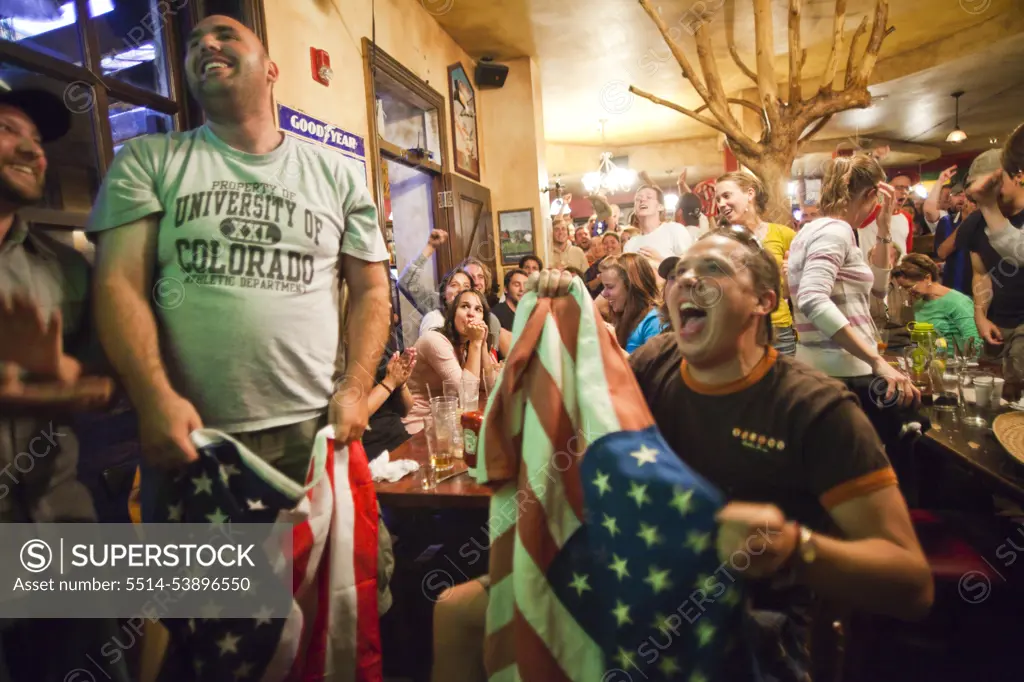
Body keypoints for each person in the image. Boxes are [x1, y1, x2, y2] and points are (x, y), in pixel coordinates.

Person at [487, 252, 933, 681]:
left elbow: (912, 584)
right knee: (460, 611)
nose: (686, 280)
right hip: (644, 598)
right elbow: (582, 383)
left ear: (764, 301)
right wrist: (563, 297)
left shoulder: (816, 409)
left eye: (713, 269)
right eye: (679, 272)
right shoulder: (655, 362)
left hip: (751, 632)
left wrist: (793, 548)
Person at [88, 14, 392, 498]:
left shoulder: (336, 174)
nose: (206, 44)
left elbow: (373, 289)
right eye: (192, 43)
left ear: (271, 69)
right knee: (214, 577)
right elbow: (117, 284)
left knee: (338, 573)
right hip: (192, 434)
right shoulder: (148, 159)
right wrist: (152, 399)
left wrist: (356, 388)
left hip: (315, 428)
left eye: (226, 35)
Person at [0, 84, 130, 682]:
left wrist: (54, 375)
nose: (32, 150)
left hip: (62, 533)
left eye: (38, 139)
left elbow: (110, 387)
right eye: (8, 129)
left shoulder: (64, 266)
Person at [788, 154, 920, 419]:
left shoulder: (818, 231)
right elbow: (812, 298)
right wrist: (876, 361)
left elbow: (879, 291)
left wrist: (883, 228)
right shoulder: (834, 231)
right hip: (842, 371)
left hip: (834, 369)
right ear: (873, 193)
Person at [955, 122, 1024, 397]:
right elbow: (980, 272)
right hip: (998, 323)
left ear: (1012, 177)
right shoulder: (976, 223)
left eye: (994, 186)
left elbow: (1018, 252)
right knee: (991, 393)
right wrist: (980, 315)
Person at [715, 171, 798, 356]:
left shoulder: (783, 234)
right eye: (718, 199)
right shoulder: (718, 240)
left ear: (750, 194)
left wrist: (788, 278)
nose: (721, 204)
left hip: (779, 330)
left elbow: (795, 291)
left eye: (727, 195)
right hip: (737, 332)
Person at [403, 289, 497, 434]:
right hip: (420, 427)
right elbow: (465, 395)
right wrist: (476, 344)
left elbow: (490, 387)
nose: (471, 313)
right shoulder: (434, 340)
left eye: (478, 309)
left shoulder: (467, 345)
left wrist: (483, 344)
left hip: (448, 423)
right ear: (453, 313)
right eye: (464, 306)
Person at [892, 254, 981, 349]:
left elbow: (973, 341)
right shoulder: (918, 305)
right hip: (925, 360)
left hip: (955, 361)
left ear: (927, 278)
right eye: (904, 288)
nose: (907, 292)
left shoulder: (957, 302)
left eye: (910, 287)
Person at [599, 253, 664, 353]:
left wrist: (614, 345)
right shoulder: (622, 317)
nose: (604, 294)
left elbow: (654, 367)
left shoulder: (654, 321)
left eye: (610, 287)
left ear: (631, 287)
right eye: (604, 287)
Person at [622, 184, 693, 268]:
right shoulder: (630, 245)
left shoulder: (675, 230)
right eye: (638, 199)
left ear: (660, 207)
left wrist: (661, 261)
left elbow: (691, 264)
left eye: (649, 197)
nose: (642, 200)